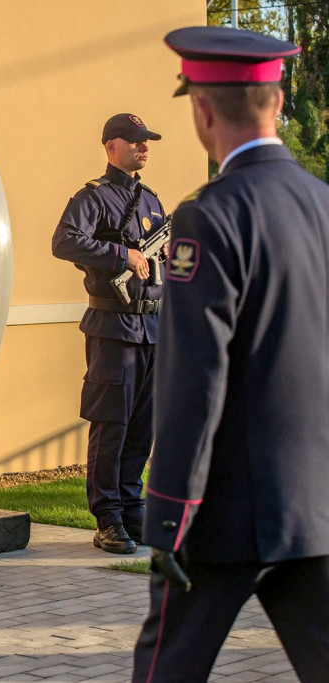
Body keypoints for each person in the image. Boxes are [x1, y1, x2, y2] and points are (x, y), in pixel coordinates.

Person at [133, 26, 329, 682]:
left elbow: (195, 379)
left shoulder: (209, 217)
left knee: (165, 672)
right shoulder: (323, 204)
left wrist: (167, 514)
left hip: (223, 515)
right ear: (277, 103)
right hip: (314, 507)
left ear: (202, 110)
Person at [52, 113, 166, 554]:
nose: (144, 148)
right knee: (111, 424)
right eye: (136, 141)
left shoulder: (153, 202)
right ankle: (108, 518)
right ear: (111, 146)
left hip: (152, 327)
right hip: (113, 327)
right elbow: (63, 242)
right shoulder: (94, 198)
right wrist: (122, 255)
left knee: (142, 427)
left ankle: (133, 510)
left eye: (147, 142)